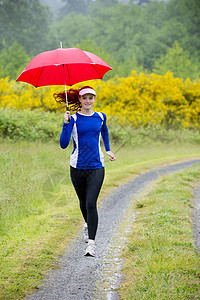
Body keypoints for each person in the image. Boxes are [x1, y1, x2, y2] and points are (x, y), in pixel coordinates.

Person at [54, 86, 116, 257]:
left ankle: (91, 244)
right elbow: (63, 144)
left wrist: (108, 149)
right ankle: (88, 224)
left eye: (91, 98)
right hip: (77, 167)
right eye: (85, 98)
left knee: (91, 203)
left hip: (97, 166)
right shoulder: (73, 119)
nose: (88, 101)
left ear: (94, 99)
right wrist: (65, 124)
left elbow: (104, 131)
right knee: (82, 202)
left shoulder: (101, 116)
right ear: (79, 100)